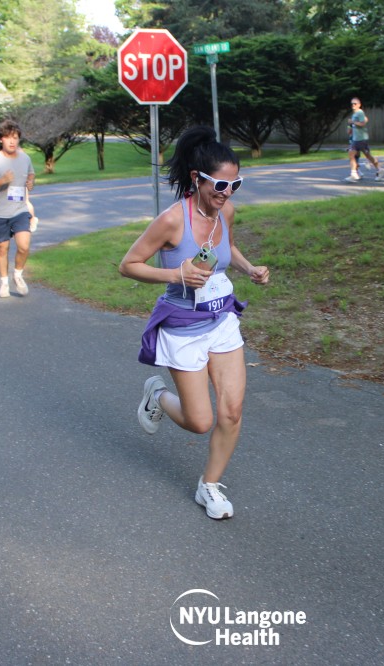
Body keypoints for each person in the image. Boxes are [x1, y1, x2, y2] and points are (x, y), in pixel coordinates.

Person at [118, 126, 270, 520]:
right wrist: (176, 274)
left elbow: (227, 247)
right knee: (200, 421)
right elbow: (128, 265)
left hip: (222, 320)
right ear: (196, 179)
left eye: (235, 184)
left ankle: (210, 486)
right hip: (183, 327)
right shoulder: (172, 220)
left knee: (231, 411)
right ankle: (157, 396)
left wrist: (249, 268)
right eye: (219, 184)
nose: (227, 192)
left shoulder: (226, 212)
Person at [0, 120, 35, 298]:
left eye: (15, 138)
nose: (12, 141)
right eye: (8, 137)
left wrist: (30, 182)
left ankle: (17, 274)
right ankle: (4, 282)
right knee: (2, 248)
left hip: (20, 210)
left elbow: (31, 174)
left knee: (24, 246)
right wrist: (1, 181)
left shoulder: (25, 158)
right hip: (0, 212)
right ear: (1, 139)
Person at [345, 97, 380, 181]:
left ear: (359, 105)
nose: (353, 105)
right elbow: (350, 129)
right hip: (356, 139)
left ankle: (355, 174)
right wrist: (350, 125)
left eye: (355, 103)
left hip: (361, 139)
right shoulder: (354, 114)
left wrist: (353, 122)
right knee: (360, 155)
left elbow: (363, 123)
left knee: (355, 155)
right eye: (352, 104)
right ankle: (355, 173)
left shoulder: (360, 112)